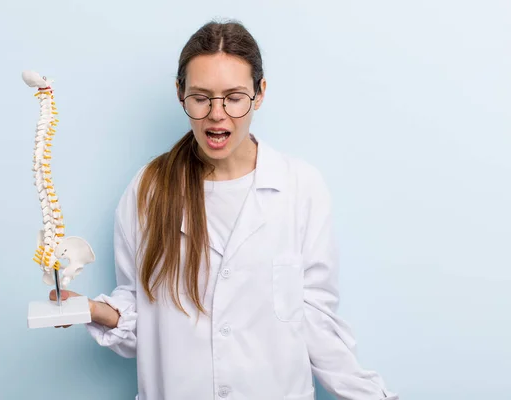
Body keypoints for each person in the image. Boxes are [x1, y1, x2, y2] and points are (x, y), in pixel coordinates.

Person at [51, 20, 398, 400]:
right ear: (180, 94)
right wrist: (97, 312)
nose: (217, 114)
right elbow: (140, 314)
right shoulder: (148, 190)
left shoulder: (301, 187)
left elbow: (315, 319)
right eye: (201, 97)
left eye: (234, 97)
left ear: (259, 93)